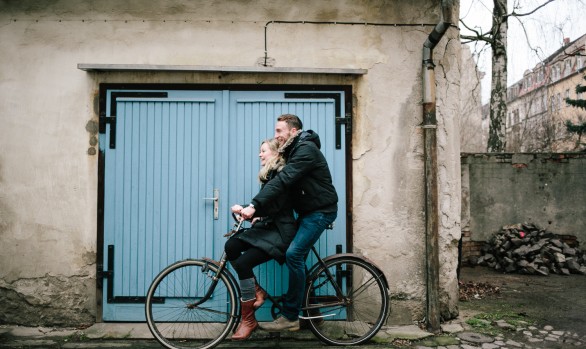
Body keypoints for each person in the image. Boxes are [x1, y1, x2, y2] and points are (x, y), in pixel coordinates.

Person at [240, 114, 338, 331]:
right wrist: (261, 212)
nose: (276, 136)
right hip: (307, 212)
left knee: (293, 254)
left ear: (293, 131)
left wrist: (255, 205)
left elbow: (284, 181)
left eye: (279, 131)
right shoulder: (293, 151)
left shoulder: (305, 150)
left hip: (321, 212)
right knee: (297, 259)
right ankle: (313, 313)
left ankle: (291, 316)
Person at [225, 138, 297, 340]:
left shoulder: (282, 175)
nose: (260, 154)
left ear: (275, 153)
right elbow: (266, 203)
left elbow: (274, 203)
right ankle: (257, 290)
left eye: (263, 151)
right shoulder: (269, 175)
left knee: (243, 262)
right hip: (267, 228)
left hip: (280, 232)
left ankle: (248, 319)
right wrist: (251, 211)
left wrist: (251, 210)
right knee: (231, 245)